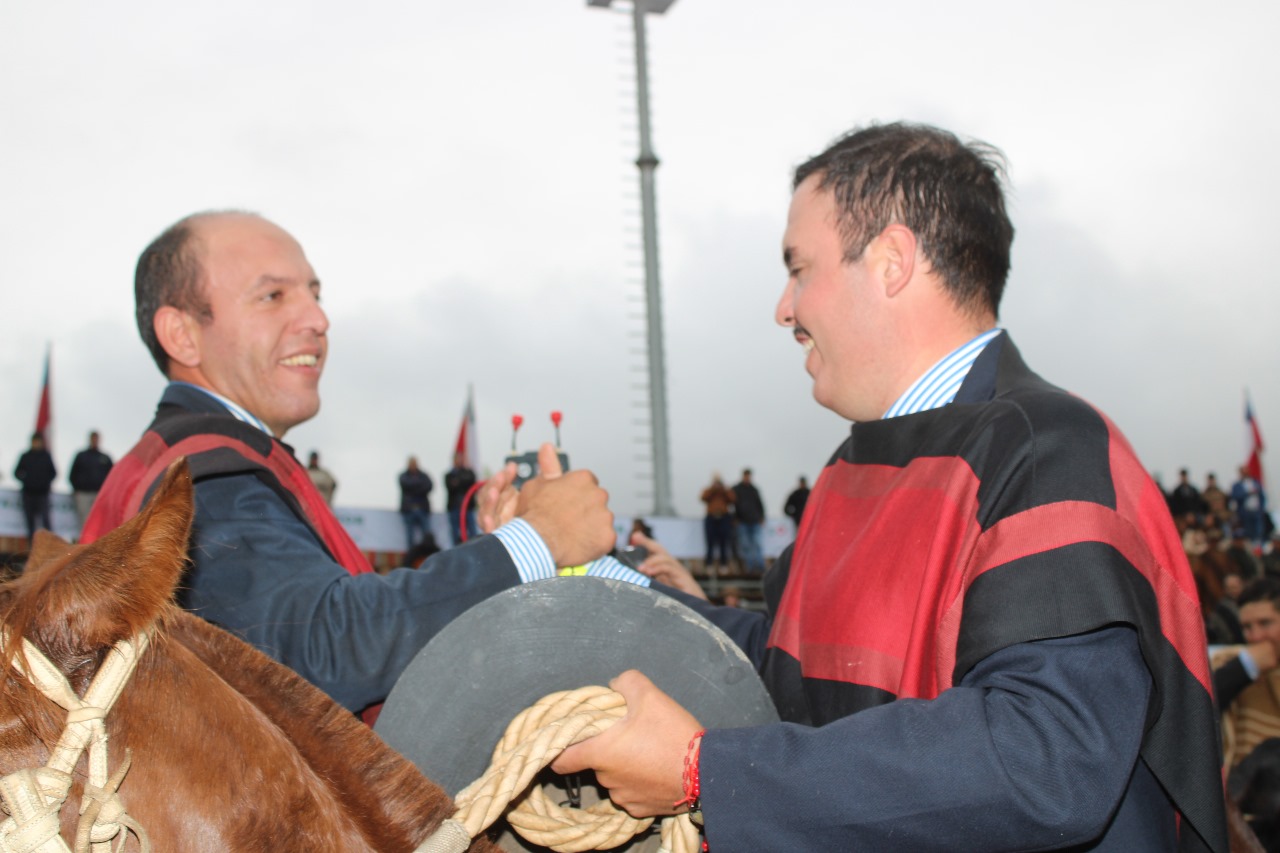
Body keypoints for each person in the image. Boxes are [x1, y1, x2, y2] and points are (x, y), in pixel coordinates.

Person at [554, 123, 1225, 850]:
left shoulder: (1045, 449)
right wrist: (571, 566)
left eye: (799, 268)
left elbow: (1043, 757)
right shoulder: (853, 468)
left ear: (892, 261)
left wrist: (705, 771)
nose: (784, 308)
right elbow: (780, 662)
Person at [81, 210, 647, 715]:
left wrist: (508, 545)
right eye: (273, 296)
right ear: (182, 335)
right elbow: (324, 647)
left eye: (315, 293)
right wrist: (539, 538)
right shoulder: (207, 477)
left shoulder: (190, 460)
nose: (317, 318)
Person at [1220, 578, 1280, 768]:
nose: (1255, 636)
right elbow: (1195, 708)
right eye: (1247, 627)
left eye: (1265, 623)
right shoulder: (1230, 663)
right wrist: (1244, 668)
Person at [13, 433, 57, 545]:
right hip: (28, 493)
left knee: (45, 520)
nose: (36, 444)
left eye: (38, 442)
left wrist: (44, 482)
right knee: (30, 522)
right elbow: (16, 472)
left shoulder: (46, 456)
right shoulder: (25, 456)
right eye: (34, 441)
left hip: (42, 493)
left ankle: (49, 545)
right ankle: (32, 546)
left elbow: (53, 473)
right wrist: (26, 480)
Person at [68, 430, 114, 532]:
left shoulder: (105, 458)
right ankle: (86, 541)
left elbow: (112, 476)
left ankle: (99, 541)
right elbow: (72, 475)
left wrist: (107, 493)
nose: (94, 441)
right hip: (83, 494)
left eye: (96, 438)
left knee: (100, 521)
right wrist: (77, 488)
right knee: (85, 521)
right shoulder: (81, 456)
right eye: (93, 438)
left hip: (100, 495)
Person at [730, 468, 765, 574]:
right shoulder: (736, 489)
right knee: (745, 546)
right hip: (742, 522)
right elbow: (731, 505)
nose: (747, 478)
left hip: (754, 521)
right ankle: (750, 568)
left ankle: (760, 567)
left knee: (757, 544)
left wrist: (761, 517)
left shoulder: (754, 489)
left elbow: (760, 503)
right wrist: (735, 518)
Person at [699, 474, 734, 574]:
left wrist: (724, 489)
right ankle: (709, 564)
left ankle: (723, 564)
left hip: (724, 518)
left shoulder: (725, 491)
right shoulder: (709, 490)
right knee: (710, 542)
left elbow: (733, 499)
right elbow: (703, 498)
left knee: (724, 542)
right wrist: (713, 489)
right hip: (711, 518)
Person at [443, 451, 479, 545]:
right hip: (454, 507)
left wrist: (458, 481)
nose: (459, 461)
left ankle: (474, 548)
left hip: (468, 508)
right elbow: (450, 486)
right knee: (455, 533)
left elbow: (470, 482)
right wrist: (462, 481)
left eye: (461, 459)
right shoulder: (449, 475)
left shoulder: (469, 472)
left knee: (472, 532)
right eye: (457, 459)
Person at [398, 455, 433, 551]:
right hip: (409, 509)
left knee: (426, 535)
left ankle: (427, 553)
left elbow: (429, 486)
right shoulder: (403, 476)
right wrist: (420, 487)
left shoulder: (424, 476)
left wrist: (413, 488)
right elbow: (406, 485)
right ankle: (411, 555)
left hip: (422, 508)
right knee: (410, 536)